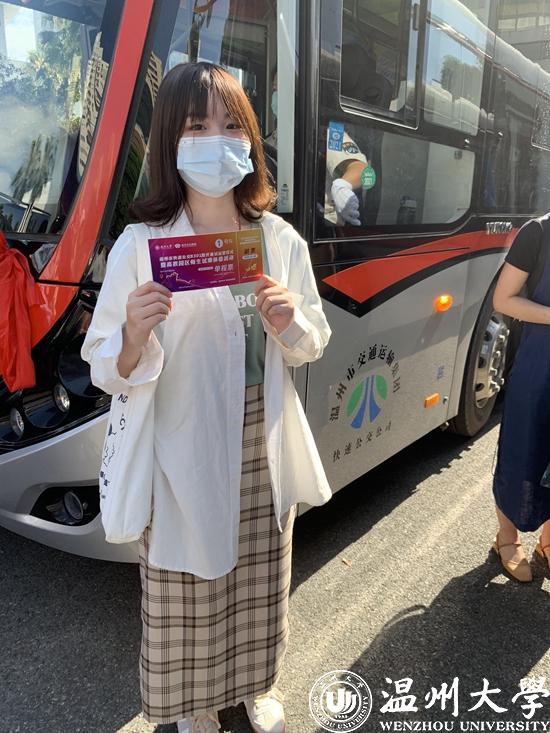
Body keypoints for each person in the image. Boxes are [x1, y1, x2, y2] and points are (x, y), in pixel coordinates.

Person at [81, 62, 333, 732]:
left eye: (230, 125)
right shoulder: (142, 246)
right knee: (185, 588)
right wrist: (132, 334)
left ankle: (256, 686)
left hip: (259, 436)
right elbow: (106, 366)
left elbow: (312, 341)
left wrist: (291, 323)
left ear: (249, 140)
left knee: (259, 578)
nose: (215, 140)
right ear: (171, 139)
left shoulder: (276, 240)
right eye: (197, 126)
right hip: (181, 442)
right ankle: (193, 706)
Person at [491, 215, 550, 582]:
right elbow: (503, 299)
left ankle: (548, 541)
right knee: (521, 451)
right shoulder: (538, 233)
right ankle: (507, 536)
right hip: (538, 364)